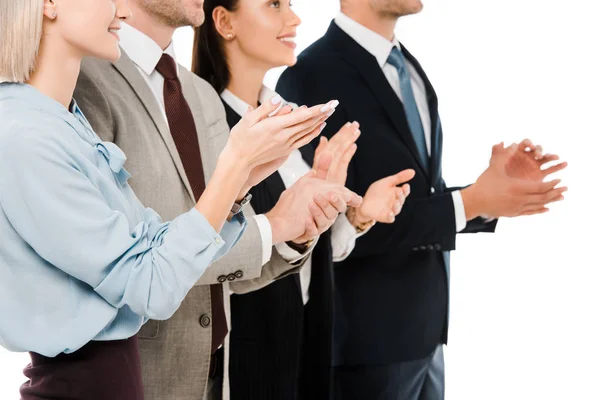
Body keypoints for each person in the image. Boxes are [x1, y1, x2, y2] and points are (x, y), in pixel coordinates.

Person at [0, 0, 353, 399]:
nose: (121, 8)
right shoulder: (27, 133)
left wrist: (240, 184)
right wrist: (236, 169)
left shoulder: (65, 120)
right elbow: (149, 281)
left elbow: (154, 244)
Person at [276, 1, 569, 399]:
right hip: (363, 347)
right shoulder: (309, 75)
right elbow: (328, 227)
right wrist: (473, 200)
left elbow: (414, 194)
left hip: (428, 337)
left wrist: (490, 194)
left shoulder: (409, 68)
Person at [193, 1, 415, 398]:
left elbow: (299, 252)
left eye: (291, 6)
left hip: (303, 346)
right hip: (246, 363)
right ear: (225, 22)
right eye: (274, 5)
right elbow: (201, 256)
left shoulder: (289, 117)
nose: (293, 19)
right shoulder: (205, 127)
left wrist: (355, 214)